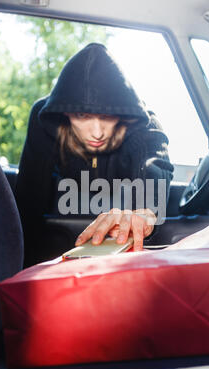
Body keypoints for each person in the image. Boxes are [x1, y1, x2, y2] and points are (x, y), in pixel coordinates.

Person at [15, 43, 174, 267]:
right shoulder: (46, 120)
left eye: (108, 117)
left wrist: (143, 213)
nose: (97, 133)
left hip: (119, 254)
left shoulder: (144, 126)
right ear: (65, 112)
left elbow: (155, 171)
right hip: (56, 250)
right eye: (82, 115)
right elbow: (27, 205)